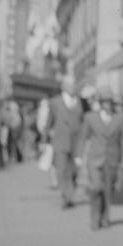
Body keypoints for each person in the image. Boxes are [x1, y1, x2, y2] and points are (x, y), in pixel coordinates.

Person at [77, 85, 123, 230]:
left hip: (112, 159)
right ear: (100, 103)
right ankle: (94, 219)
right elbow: (82, 137)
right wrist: (79, 155)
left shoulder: (121, 118)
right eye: (105, 102)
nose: (108, 105)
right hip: (94, 159)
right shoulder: (90, 117)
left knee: (108, 190)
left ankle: (105, 218)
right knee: (96, 187)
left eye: (110, 102)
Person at [48, 73, 86, 208]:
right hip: (60, 141)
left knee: (74, 171)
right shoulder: (54, 102)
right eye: (70, 84)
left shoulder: (80, 102)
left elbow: (83, 122)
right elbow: (49, 122)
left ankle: (70, 191)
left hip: (76, 142)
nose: (73, 87)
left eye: (74, 84)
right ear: (63, 86)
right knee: (61, 170)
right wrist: (44, 139)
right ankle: (66, 196)